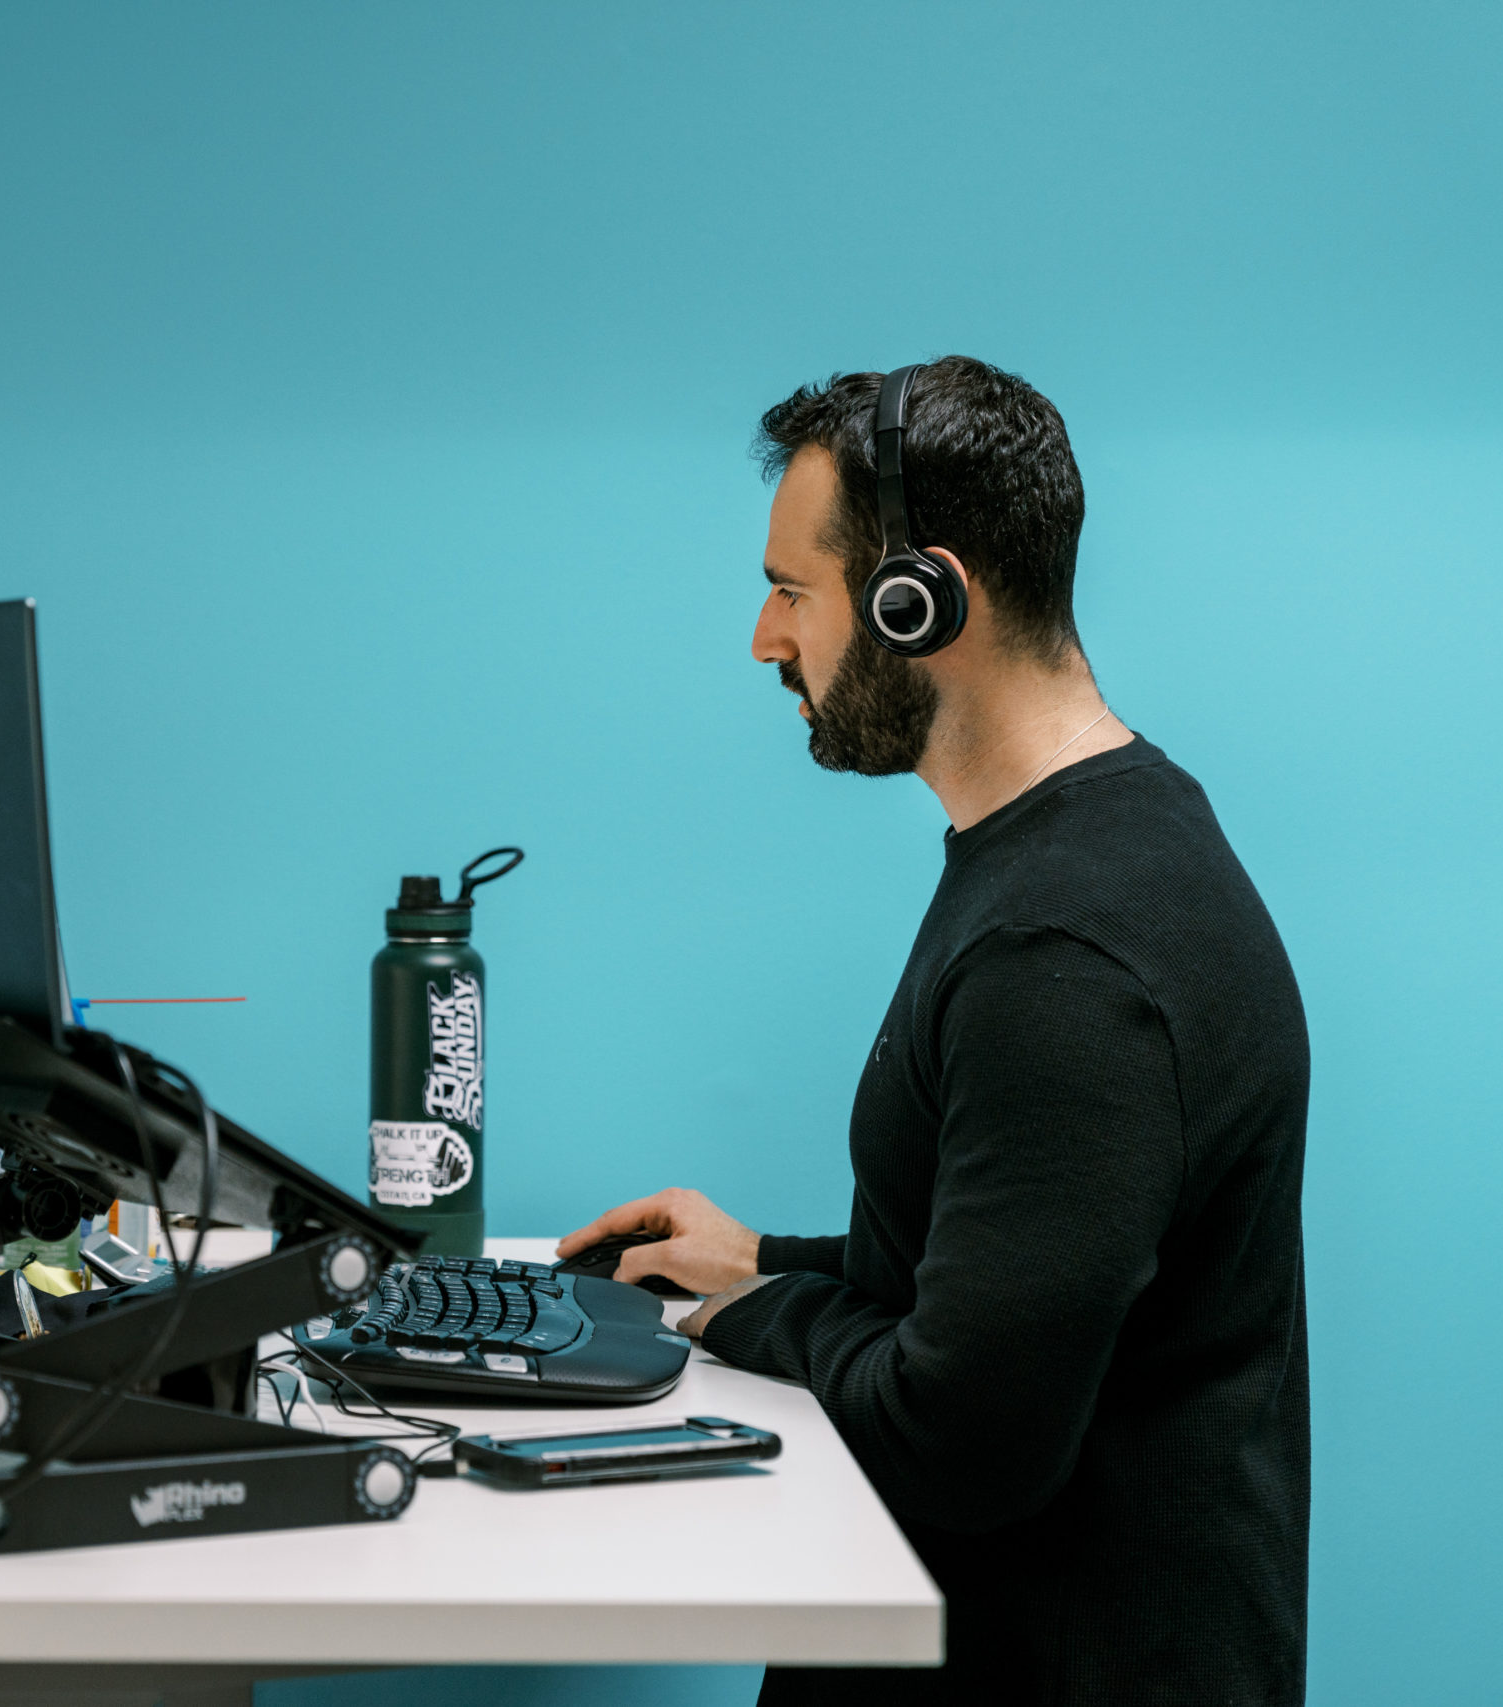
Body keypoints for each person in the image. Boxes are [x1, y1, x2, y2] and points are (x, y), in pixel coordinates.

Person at [560, 357, 1308, 1705]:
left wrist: (750, 1310)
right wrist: (766, 1257)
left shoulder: (1069, 955)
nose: (764, 639)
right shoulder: (1078, 851)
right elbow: (1022, 1261)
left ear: (923, 601)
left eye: (794, 591)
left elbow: (962, 1437)